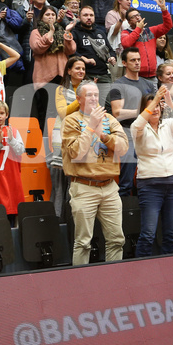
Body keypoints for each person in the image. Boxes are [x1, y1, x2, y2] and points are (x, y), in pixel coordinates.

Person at [61, 81, 128, 265]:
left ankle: (114, 280)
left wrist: (104, 136)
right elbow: (76, 153)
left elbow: (123, 148)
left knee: (117, 239)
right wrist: (90, 127)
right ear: (79, 98)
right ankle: (81, 285)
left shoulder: (110, 120)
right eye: (89, 95)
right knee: (83, 242)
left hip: (109, 187)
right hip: (84, 187)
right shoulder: (71, 120)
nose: (94, 99)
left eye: (96, 95)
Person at [132, 87, 173, 257]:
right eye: (151, 106)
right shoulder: (139, 128)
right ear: (144, 109)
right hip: (150, 185)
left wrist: (171, 104)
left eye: (158, 105)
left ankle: (169, 271)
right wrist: (156, 99)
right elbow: (137, 125)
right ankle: (141, 273)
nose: (155, 109)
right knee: (148, 235)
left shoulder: (168, 124)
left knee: (171, 234)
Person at [106, 47, 156, 196]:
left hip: (146, 132)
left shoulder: (148, 84)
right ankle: (123, 208)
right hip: (126, 132)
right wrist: (141, 111)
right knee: (126, 180)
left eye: (139, 60)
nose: (137, 63)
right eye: (133, 60)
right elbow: (117, 112)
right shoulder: (118, 84)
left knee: (151, 176)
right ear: (124, 63)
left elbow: (154, 108)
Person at [50, 57, 86, 220]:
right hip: (62, 134)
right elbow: (63, 113)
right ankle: (57, 219)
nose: (81, 71)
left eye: (83, 69)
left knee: (75, 182)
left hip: (81, 134)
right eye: (77, 68)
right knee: (59, 182)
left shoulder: (89, 88)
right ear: (69, 71)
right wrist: (81, 98)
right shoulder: (61, 89)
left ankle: (72, 219)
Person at [121, 0, 173, 80]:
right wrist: (138, 29)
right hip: (136, 76)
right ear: (129, 22)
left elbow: (168, 25)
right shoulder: (126, 32)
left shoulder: (151, 31)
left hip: (152, 76)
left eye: (138, 15)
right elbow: (126, 44)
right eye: (133, 17)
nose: (137, 17)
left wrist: (163, 8)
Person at [29, 6, 76, 88]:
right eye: (47, 14)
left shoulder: (62, 31)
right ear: (41, 17)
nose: (50, 17)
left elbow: (71, 50)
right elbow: (38, 48)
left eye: (53, 14)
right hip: (44, 78)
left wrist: (67, 32)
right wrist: (51, 32)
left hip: (62, 76)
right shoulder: (35, 32)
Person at [72, 6, 115, 83]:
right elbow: (71, 52)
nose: (89, 18)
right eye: (85, 15)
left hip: (103, 74)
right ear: (79, 17)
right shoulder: (75, 33)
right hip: (85, 74)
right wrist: (84, 59)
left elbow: (110, 50)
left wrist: (112, 57)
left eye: (91, 15)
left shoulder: (100, 33)